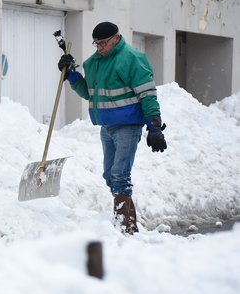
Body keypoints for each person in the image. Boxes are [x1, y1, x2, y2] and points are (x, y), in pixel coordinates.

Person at [58, 21, 167, 234]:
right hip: (107, 127)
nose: (100, 48)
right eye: (96, 44)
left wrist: (154, 125)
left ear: (116, 38)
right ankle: (128, 224)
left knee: (119, 175)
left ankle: (126, 228)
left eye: (103, 43)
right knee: (110, 175)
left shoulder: (132, 59)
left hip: (128, 126)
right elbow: (89, 92)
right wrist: (71, 74)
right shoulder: (95, 63)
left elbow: (147, 93)